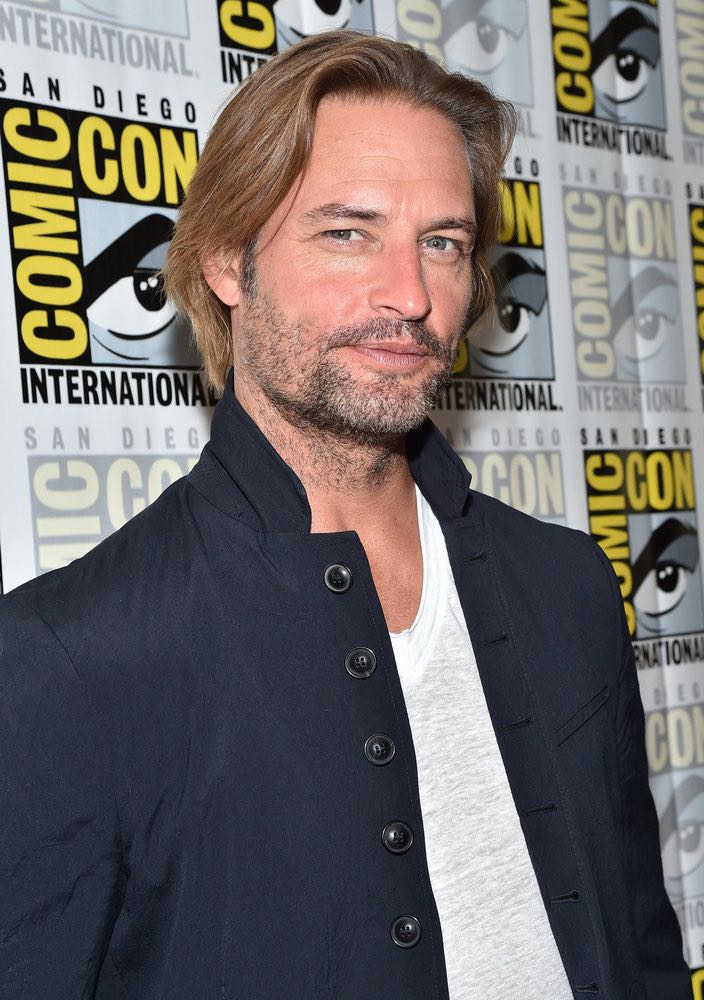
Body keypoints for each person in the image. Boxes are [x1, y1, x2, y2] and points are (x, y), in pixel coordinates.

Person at [0, 30, 691, 1000]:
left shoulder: (567, 586)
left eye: (442, 244)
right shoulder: (74, 657)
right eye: (347, 231)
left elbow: (642, 951)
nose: (410, 295)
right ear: (225, 263)